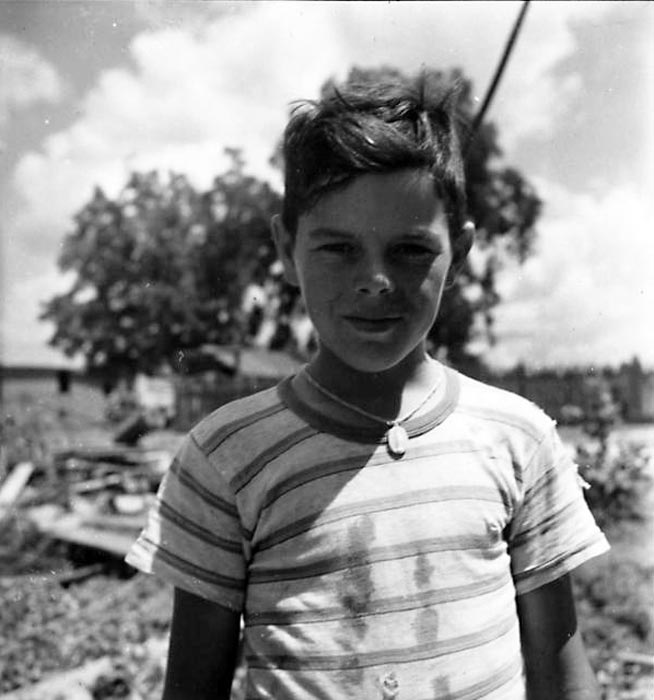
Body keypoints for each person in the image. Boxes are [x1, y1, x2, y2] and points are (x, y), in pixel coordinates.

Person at [126, 72, 609, 700]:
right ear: (285, 247)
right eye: (338, 249)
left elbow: (565, 680)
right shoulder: (223, 457)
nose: (376, 280)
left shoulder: (519, 438)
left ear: (458, 254)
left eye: (410, 249)